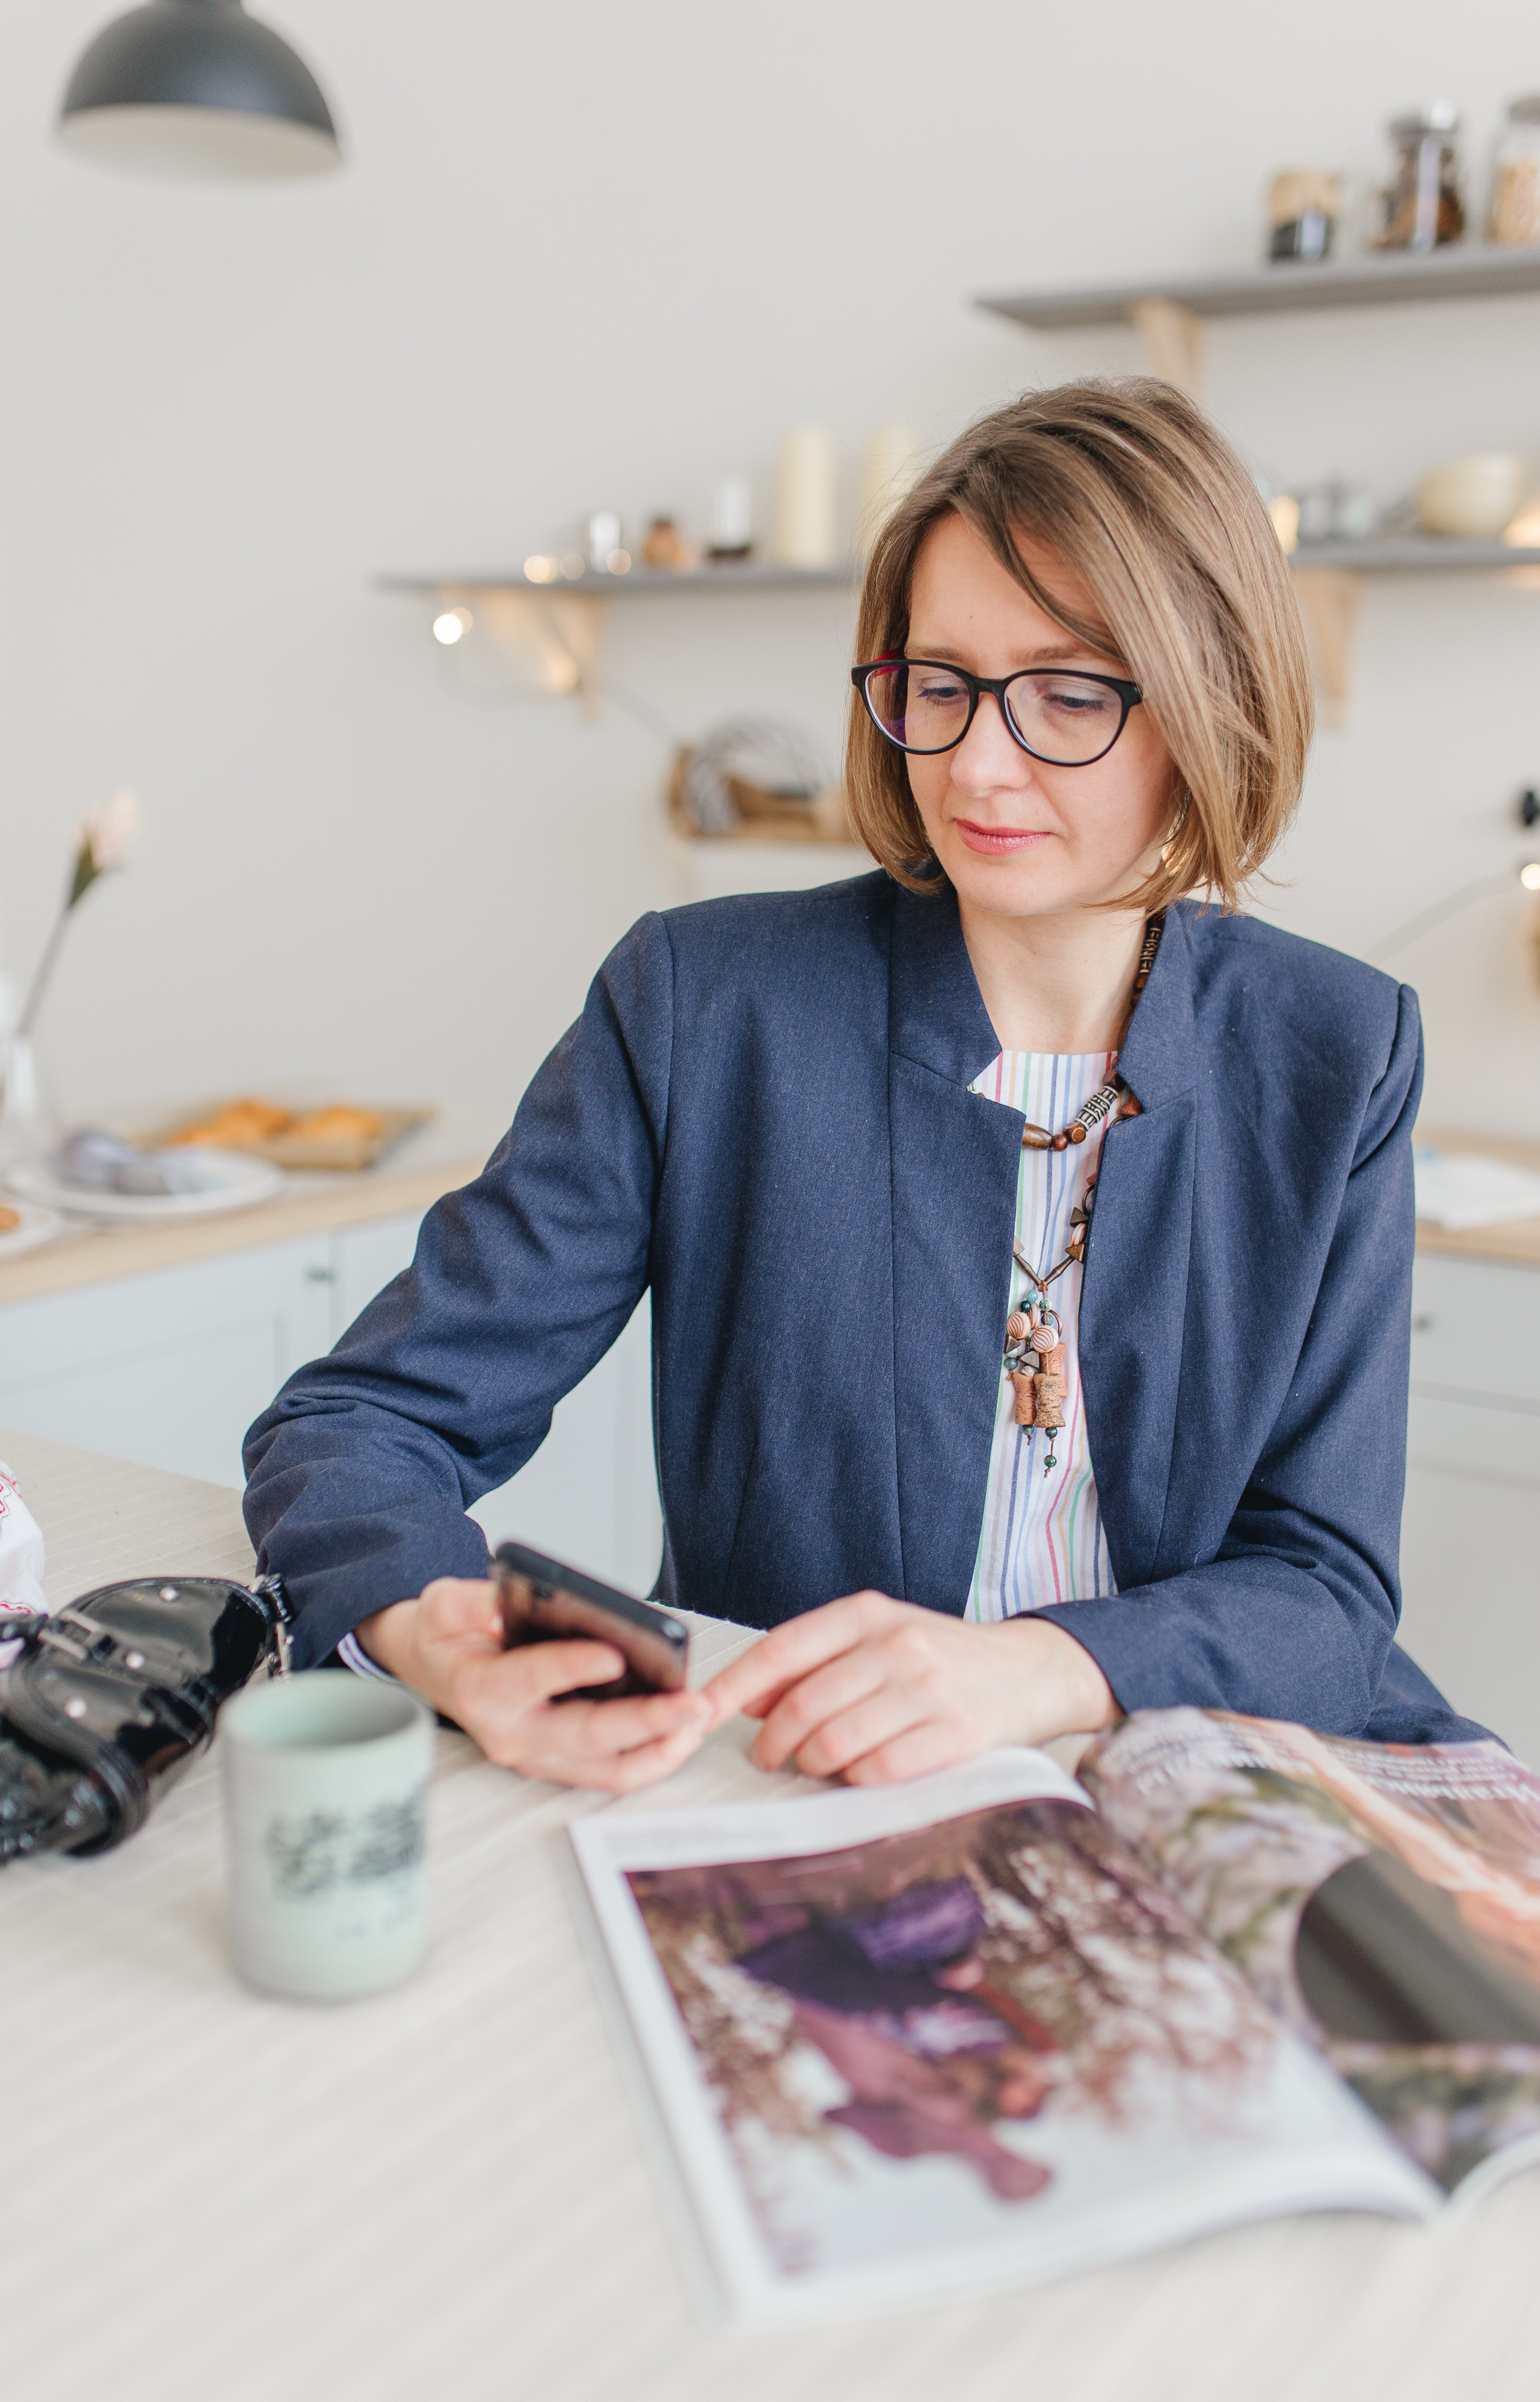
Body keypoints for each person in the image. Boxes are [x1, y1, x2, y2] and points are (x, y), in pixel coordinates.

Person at [242, 377, 1488, 1793]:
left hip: (1214, 1768)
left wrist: (1030, 1669)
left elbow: (1322, 1586)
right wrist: (431, 1637)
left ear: (1212, 705)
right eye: (939, 686)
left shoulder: (1341, 1046)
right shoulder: (704, 1004)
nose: (977, 761)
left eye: (1068, 692)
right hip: (806, 1783)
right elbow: (357, 1423)